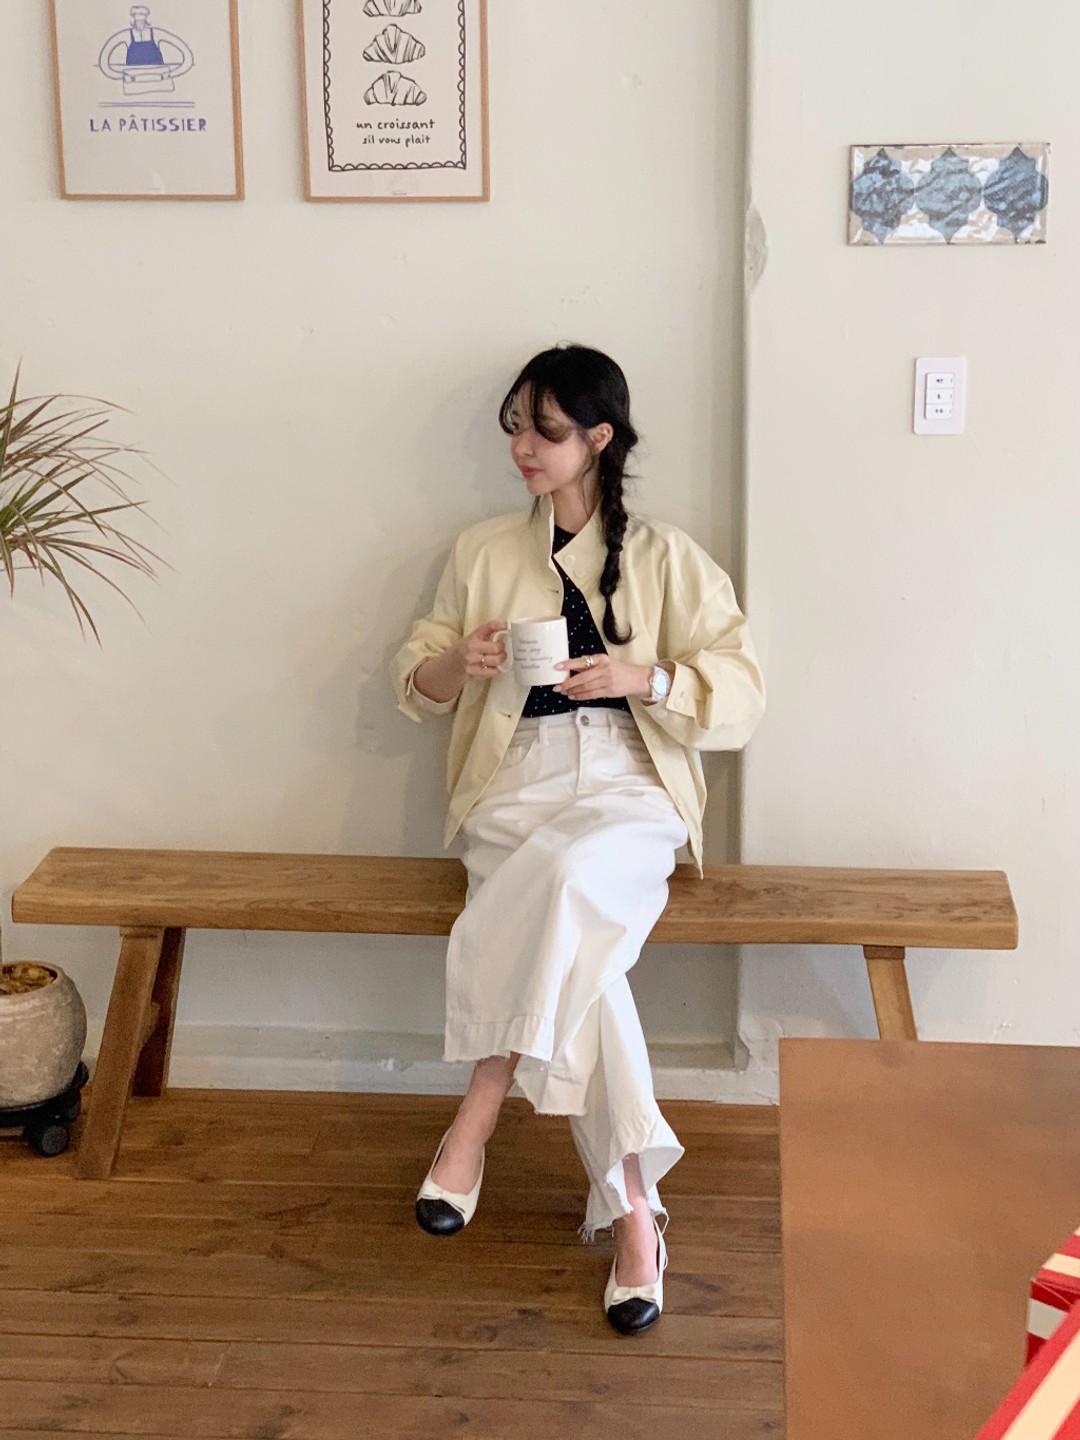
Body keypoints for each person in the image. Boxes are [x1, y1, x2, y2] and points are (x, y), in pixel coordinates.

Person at [390, 344, 765, 1335]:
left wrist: (645, 679)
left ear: (599, 438)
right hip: (512, 780)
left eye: (547, 431)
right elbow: (414, 683)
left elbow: (742, 694)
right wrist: (461, 664)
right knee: (583, 956)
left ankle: (479, 1106)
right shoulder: (481, 553)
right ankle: (635, 1219)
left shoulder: (668, 556)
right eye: (517, 426)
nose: (525, 446)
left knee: (562, 882)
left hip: (632, 781)